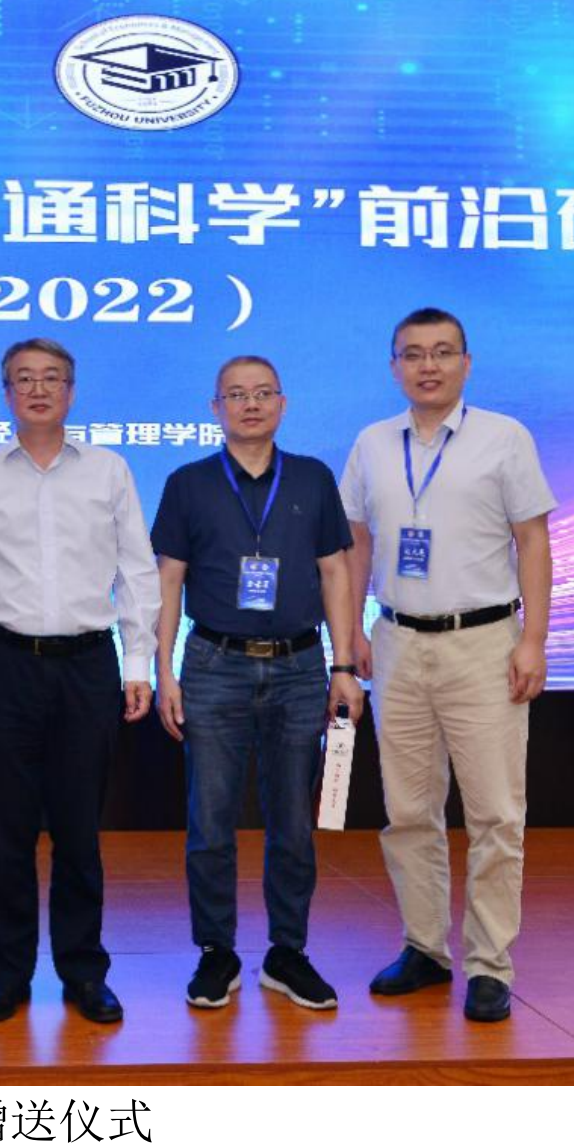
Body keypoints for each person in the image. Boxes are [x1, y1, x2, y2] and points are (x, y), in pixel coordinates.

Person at [340, 306, 556, 1024]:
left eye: (441, 352)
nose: (427, 366)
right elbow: (357, 544)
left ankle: (490, 965)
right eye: (412, 354)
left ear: (466, 362)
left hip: (484, 642)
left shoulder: (504, 437)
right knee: (407, 811)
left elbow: (533, 541)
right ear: (393, 366)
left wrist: (533, 640)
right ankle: (425, 949)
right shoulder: (372, 443)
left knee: (494, 813)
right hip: (396, 641)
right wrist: (350, 633)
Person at [0, 337, 160, 1025]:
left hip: (88, 665)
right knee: (8, 834)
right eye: (24, 379)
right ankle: (6, 976)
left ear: (71, 391)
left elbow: (138, 571)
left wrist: (138, 661)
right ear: (6, 393)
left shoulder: (109, 470)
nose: (38, 389)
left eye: (52, 378)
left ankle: (83, 972)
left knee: (78, 832)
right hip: (5, 664)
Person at [151, 355, 362, 1011]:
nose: (250, 404)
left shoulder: (312, 478)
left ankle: (287, 952)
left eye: (263, 393)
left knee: (293, 820)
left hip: (300, 667)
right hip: (214, 664)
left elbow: (336, 573)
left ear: (282, 403)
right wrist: (162, 670)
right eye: (236, 395)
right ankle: (216, 952)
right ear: (215, 408)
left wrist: (344, 665)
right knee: (210, 819)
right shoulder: (188, 483)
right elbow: (168, 581)